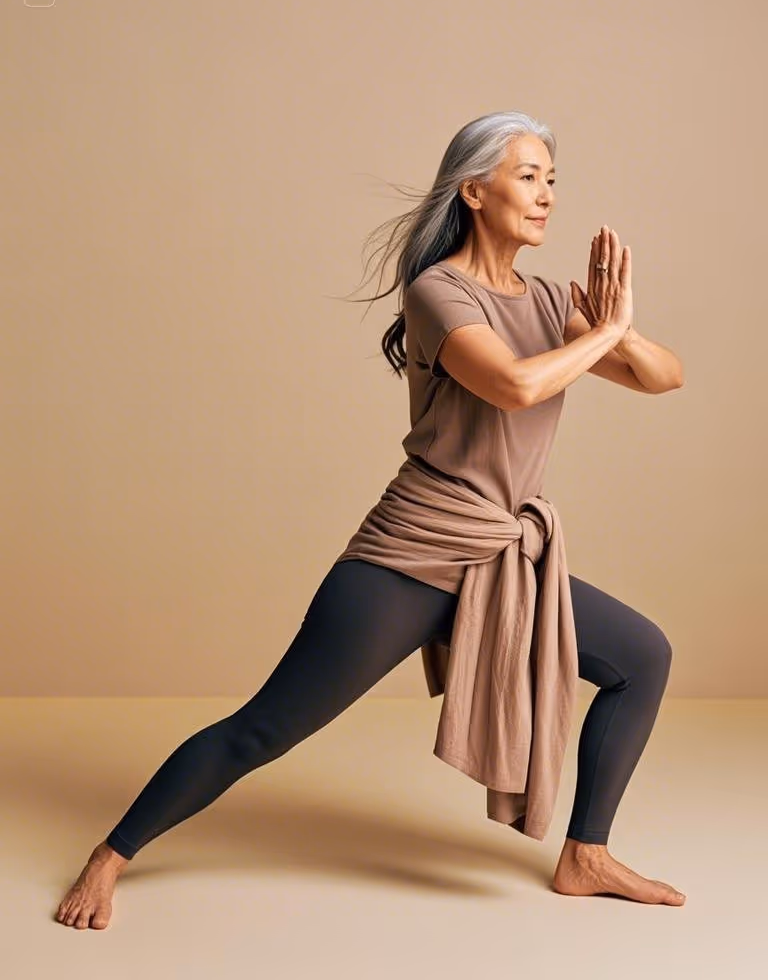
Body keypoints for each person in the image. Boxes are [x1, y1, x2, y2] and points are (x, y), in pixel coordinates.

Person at [55, 111, 686, 930]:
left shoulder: (552, 301)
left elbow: (664, 377)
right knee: (263, 731)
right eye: (528, 177)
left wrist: (619, 331)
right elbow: (515, 387)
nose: (546, 197)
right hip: (411, 555)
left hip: (502, 554)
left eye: (552, 179)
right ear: (474, 191)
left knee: (643, 655)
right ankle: (110, 857)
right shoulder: (438, 293)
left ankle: (585, 855)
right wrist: (599, 336)